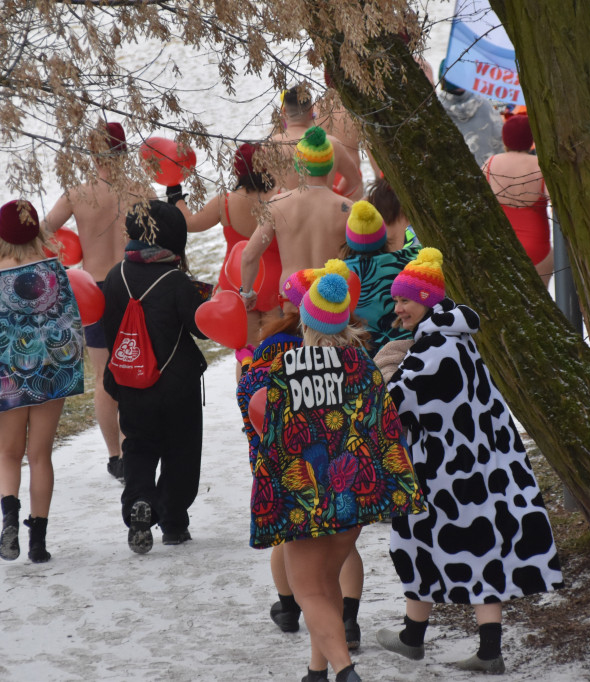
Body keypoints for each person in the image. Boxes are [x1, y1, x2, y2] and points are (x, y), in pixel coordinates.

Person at [376, 247, 564, 673]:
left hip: (448, 472)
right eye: (396, 300)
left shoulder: (433, 351)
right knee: (474, 548)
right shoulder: (451, 339)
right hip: (480, 466)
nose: (398, 308)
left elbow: (389, 406)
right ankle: (471, 647)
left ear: (426, 300)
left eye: (405, 300)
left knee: (426, 542)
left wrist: (387, 366)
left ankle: (422, 638)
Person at [251, 270, 426, 682]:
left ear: (306, 323)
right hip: (352, 497)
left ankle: (345, 671)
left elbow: (273, 446)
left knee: (309, 591)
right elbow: (386, 430)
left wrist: (271, 504)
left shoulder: (284, 371)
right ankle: (317, 671)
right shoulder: (363, 368)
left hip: (305, 501)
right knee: (326, 585)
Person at [235, 268, 365, 649]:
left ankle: (290, 608)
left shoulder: (274, 347)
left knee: (291, 541)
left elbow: (254, 402)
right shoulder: (354, 352)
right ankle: (349, 622)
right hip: (343, 466)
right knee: (344, 548)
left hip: (291, 462)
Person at [0, 199, 86, 564]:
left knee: (7, 453)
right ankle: (38, 541)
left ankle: (9, 518)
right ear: (37, 230)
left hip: (3, 375)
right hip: (49, 371)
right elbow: (70, 324)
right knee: (39, 456)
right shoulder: (54, 269)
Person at [101, 200, 208, 553]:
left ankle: (138, 505)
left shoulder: (115, 277)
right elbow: (201, 328)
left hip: (132, 385)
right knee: (182, 452)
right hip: (178, 387)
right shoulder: (176, 281)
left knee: (139, 449)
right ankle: (174, 522)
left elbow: (107, 332)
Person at [42, 121, 140, 482]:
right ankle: (133, 446)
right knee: (136, 368)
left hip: (94, 290)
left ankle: (115, 456)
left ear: (91, 152)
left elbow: (41, 230)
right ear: (124, 151)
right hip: (132, 285)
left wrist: (61, 260)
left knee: (104, 376)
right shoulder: (140, 190)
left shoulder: (76, 194)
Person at [176, 143, 283, 347]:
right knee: (279, 352)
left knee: (245, 353)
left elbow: (189, 224)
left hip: (237, 284)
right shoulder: (282, 197)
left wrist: (176, 197)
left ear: (236, 169)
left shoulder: (224, 201)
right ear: (266, 164)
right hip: (274, 286)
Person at [239, 127, 352, 313]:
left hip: (292, 296)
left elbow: (249, 256)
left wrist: (247, 293)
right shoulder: (347, 208)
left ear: (299, 165)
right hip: (331, 296)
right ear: (330, 164)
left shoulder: (278, 203)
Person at [481, 115, 554, 286]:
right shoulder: (540, 166)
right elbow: (556, 203)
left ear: (505, 139)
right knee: (538, 304)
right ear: (531, 140)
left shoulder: (491, 163)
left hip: (499, 245)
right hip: (537, 248)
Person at [340, 199, 420, 350]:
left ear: (349, 239)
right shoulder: (405, 262)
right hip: (403, 350)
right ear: (383, 235)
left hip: (362, 355)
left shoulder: (339, 274)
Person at [269, 88, 363, 199]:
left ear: (284, 111)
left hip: (286, 213)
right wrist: (335, 194)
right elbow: (354, 180)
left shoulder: (269, 146)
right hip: (323, 210)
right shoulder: (330, 143)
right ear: (311, 111)